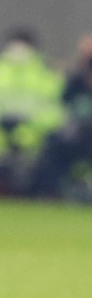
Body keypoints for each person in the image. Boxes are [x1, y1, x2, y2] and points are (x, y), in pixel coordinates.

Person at [0, 28, 65, 194]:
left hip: (32, 131)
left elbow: (54, 111)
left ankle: (30, 191)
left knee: (44, 148)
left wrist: (31, 123)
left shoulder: (46, 74)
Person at [30, 34, 92, 200]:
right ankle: (51, 194)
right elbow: (62, 105)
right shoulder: (75, 82)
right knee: (52, 148)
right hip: (77, 135)